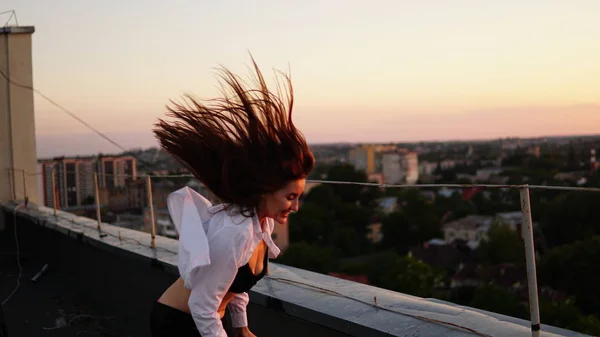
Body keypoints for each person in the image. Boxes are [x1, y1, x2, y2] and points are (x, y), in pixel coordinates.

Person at [149, 57, 314, 337]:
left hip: (207, 321)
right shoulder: (235, 232)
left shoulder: (262, 225)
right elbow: (201, 304)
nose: (296, 207)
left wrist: (241, 327)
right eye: (290, 197)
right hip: (179, 323)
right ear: (265, 190)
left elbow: (234, 285)